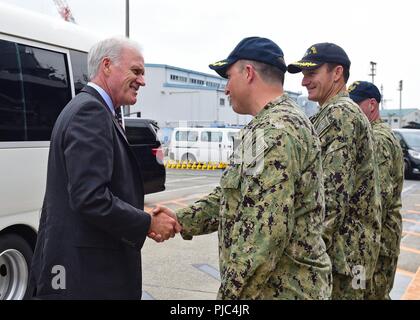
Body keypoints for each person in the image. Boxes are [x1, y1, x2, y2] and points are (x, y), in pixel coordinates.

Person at [152, 37, 332, 299]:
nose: (226, 88)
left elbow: (263, 237)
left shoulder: (276, 132)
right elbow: (233, 196)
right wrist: (181, 219)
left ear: (248, 73)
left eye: (228, 77)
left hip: (284, 291)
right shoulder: (262, 128)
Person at [28, 37, 180, 299]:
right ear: (107, 65)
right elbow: (91, 198)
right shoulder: (91, 112)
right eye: (136, 71)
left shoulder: (89, 109)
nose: (142, 81)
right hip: (88, 277)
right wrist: (147, 223)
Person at [287, 43, 382, 299]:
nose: (305, 81)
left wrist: (304, 254)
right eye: (303, 75)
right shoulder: (330, 113)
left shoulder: (340, 114)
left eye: (312, 73)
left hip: (345, 259)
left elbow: (330, 195)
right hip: (349, 254)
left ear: (337, 73)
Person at [349, 81, 404, 299]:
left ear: (372, 105)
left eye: (355, 104)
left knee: (370, 293)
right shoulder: (373, 134)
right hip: (374, 240)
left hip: (377, 243)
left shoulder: (377, 139)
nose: (351, 111)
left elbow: (375, 200)